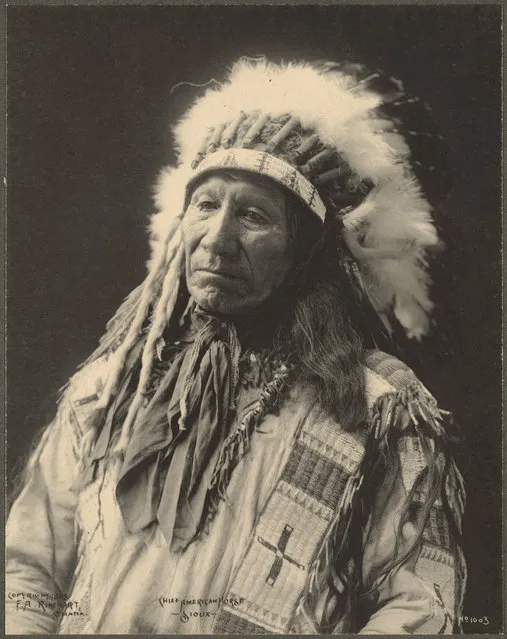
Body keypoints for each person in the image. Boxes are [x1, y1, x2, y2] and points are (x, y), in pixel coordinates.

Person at [6, 57, 466, 635]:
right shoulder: (108, 391)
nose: (217, 240)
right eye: (205, 205)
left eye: (253, 216)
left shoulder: (375, 408)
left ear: (303, 254)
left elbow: (419, 604)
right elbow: (28, 573)